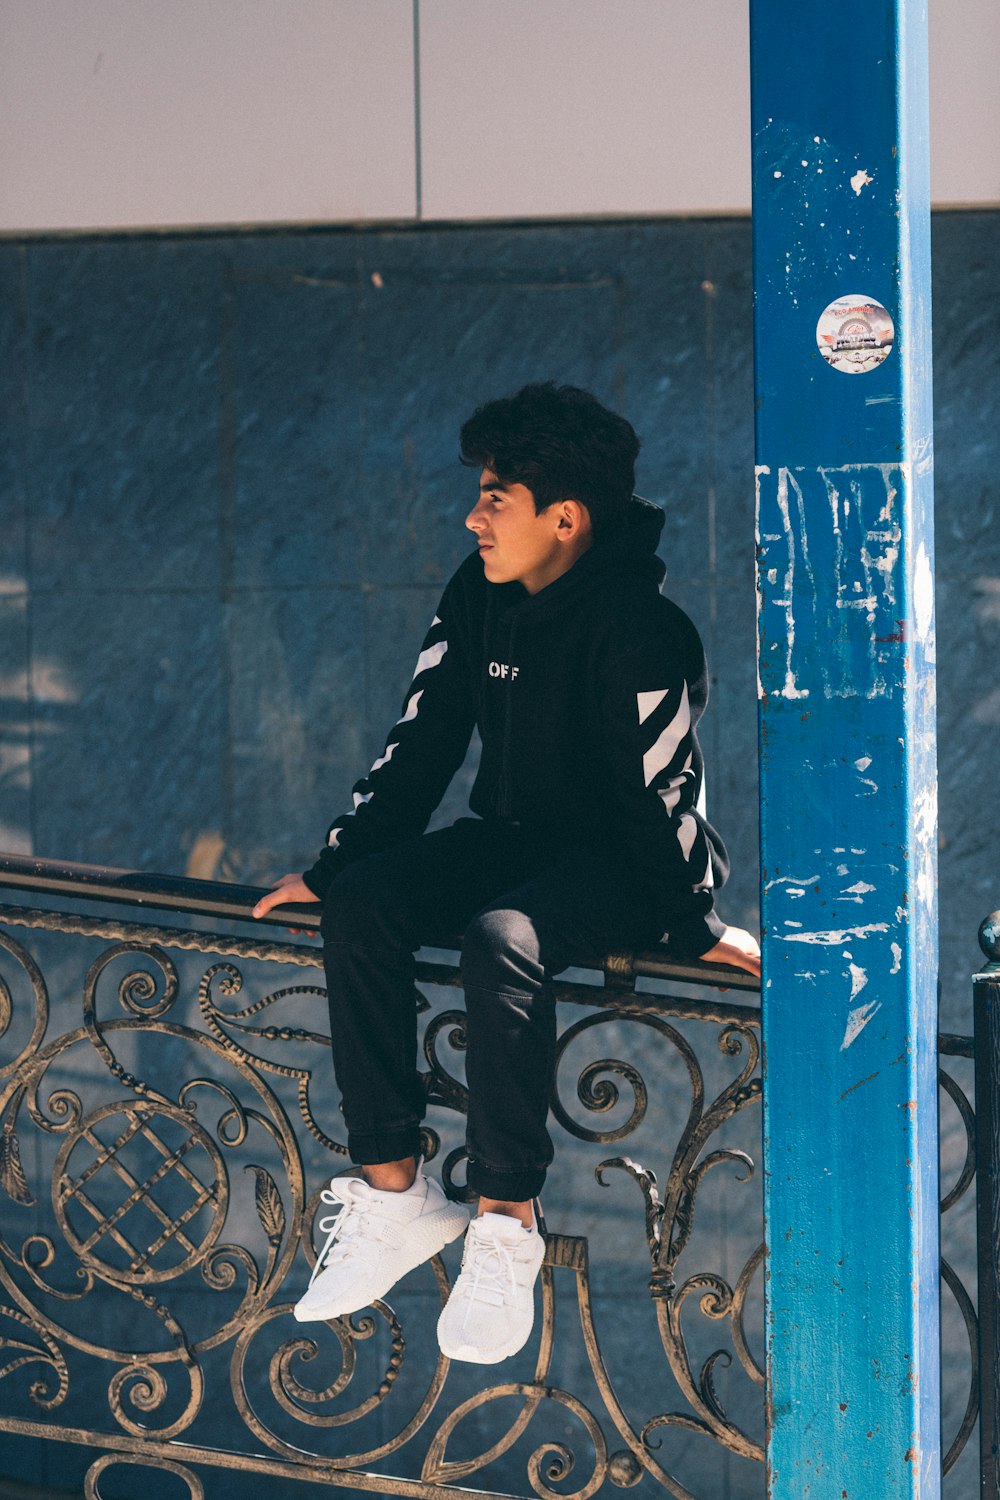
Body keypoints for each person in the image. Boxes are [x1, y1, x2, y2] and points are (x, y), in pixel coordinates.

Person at [252, 382, 760, 1365]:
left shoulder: (643, 632)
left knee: (502, 940)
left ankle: (504, 1223)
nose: (473, 515)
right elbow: (421, 741)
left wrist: (696, 926)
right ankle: (396, 1194)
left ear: (562, 518)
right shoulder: (475, 596)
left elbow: (666, 799)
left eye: (495, 497)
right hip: (511, 834)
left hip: (618, 860)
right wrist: (338, 864)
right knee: (361, 906)